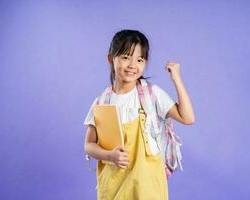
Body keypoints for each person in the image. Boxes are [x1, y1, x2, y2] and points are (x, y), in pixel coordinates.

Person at [83, 29, 195, 200]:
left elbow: (187, 118)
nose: (132, 65)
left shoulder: (152, 95)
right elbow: (89, 145)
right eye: (126, 57)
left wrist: (177, 79)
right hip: (114, 185)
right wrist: (109, 156)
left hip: (147, 185)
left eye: (140, 59)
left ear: (145, 63)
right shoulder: (102, 102)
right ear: (111, 59)